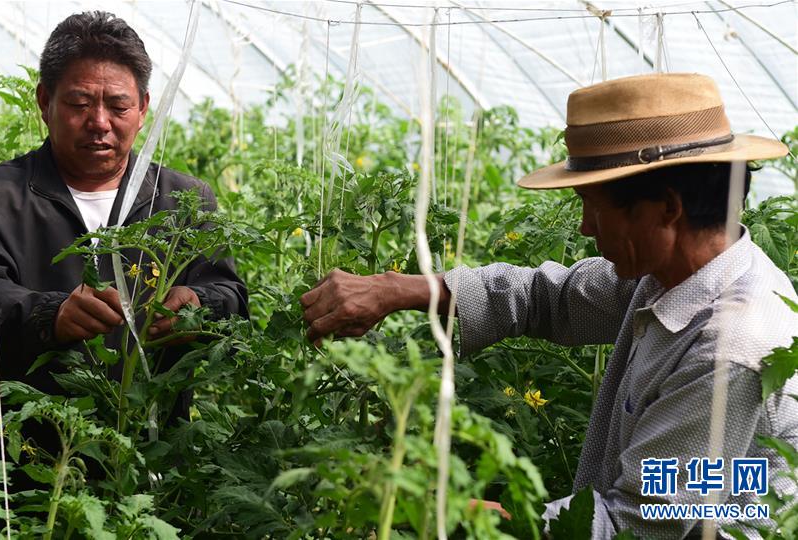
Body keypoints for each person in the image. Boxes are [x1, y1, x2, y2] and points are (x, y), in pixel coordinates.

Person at [300, 73, 798, 538]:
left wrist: (496, 520)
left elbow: (637, 525)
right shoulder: (672, 276)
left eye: (592, 206)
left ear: (667, 208)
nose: (584, 226)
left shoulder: (728, 350)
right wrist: (396, 289)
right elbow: (549, 298)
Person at [0, 11, 248, 471]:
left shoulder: (184, 200)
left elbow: (232, 296)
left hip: (153, 460)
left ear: (143, 108)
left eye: (118, 106)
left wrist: (199, 307)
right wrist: (51, 315)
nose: (99, 122)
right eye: (80, 103)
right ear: (45, 101)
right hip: (27, 460)